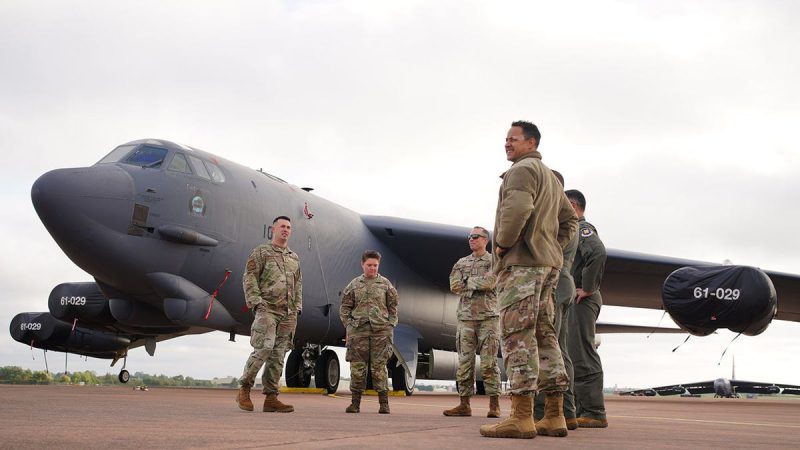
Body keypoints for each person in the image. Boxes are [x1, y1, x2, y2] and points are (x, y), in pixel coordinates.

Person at [480, 121, 578, 439]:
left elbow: (519, 208)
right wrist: (551, 247)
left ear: (530, 143)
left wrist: (503, 244)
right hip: (547, 267)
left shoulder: (522, 170)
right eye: (506, 138)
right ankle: (554, 415)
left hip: (522, 266)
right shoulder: (549, 176)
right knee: (545, 336)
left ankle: (521, 417)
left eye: (513, 139)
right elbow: (570, 221)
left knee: (516, 336)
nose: (507, 143)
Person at [236, 216, 303, 413]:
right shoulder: (261, 252)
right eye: (282, 226)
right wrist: (256, 302)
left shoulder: (294, 257)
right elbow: (249, 278)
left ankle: (271, 398)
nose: (286, 230)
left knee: (278, 355)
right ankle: (244, 388)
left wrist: (297, 306)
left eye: (288, 227)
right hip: (268, 309)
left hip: (288, 313)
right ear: (273, 229)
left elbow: (298, 284)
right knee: (264, 347)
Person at [534, 171, 580, 431]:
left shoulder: (557, 214)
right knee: (560, 349)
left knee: (547, 349)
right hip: (563, 283)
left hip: (554, 284)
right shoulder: (567, 216)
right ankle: (567, 412)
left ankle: (546, 411)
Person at [443, 226, 502, 418]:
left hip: (488, 318)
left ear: (485, 240)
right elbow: (454, 285)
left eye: (476, 236)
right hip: (466, 319)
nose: (471, 239)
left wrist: (467, 282)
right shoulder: (461, 262)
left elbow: (491, 282)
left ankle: (494, 405)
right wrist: (477, 282)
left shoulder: (494, 261)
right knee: (464, 363)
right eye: (470, 237)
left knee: (488, 363)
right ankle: (464, 404)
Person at [565, 189, 609, 428]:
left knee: (581, 353)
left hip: (582, 299)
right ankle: (581, 410)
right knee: (572, 354)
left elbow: (598, 253)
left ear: (573, 206)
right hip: (574, 299)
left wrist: (588, 287)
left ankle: (594, 412)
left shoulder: (582, 229)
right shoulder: (570, 231)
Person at [340, 250, 399, 414]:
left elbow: (393, 307)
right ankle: (355, 404)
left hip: (380, 332)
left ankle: (384, 404)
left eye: (375, 265)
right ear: (362, 265)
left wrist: (390, 326)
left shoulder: (386, 285)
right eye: (369, 265)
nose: (372, 268)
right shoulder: (354, 285)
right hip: (358, 333)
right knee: (357, 368)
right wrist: (349, 326)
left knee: (379, 368)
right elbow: (345, 308)